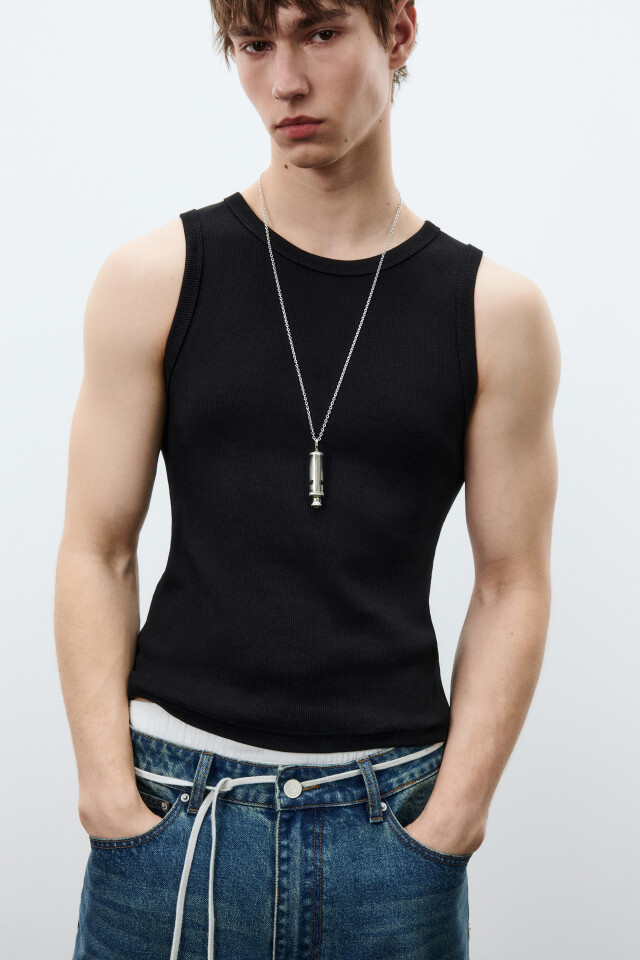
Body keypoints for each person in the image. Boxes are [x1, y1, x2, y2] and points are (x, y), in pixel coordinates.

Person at [55, 2, 561, 958]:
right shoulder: (155, 278)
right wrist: (106, 793)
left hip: (391, 829)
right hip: (174, 816)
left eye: (320, 33)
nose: (283, 81)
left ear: (398, 32)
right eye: (254, 45)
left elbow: (512, 581)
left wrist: (452, 821)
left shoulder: (494, 313)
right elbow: (97, 546)